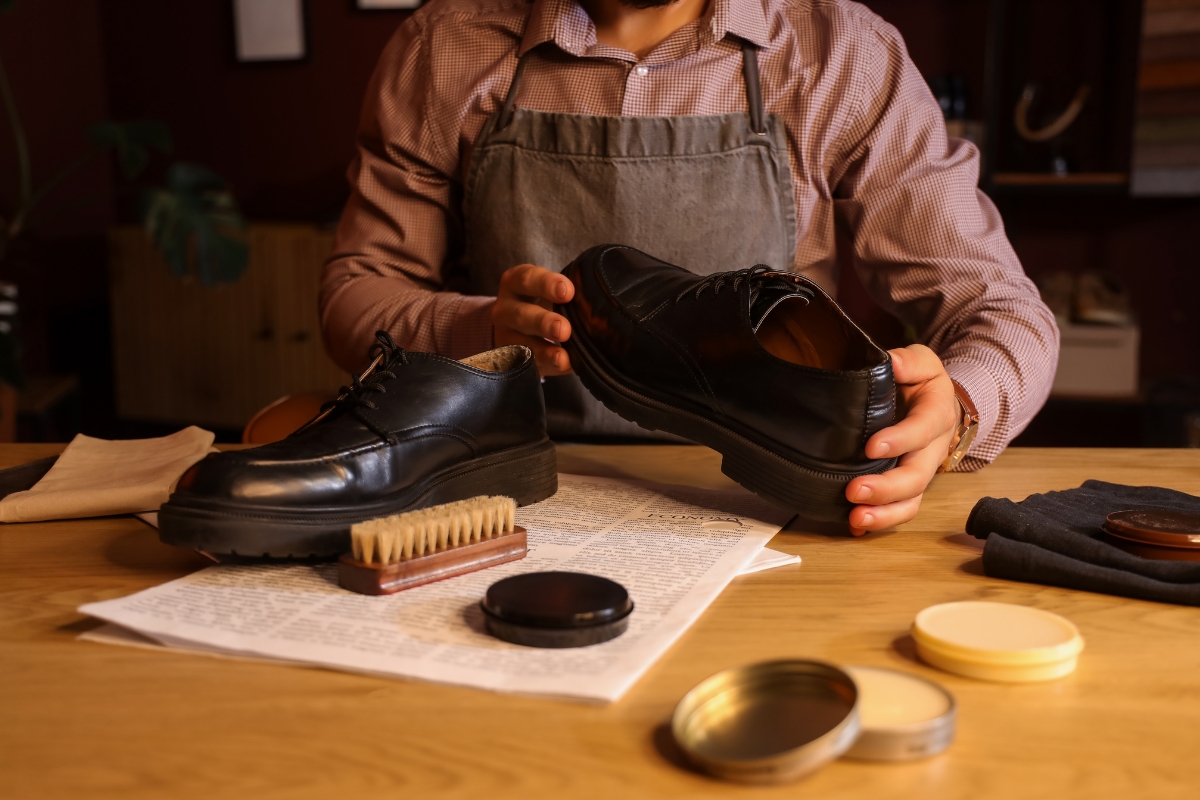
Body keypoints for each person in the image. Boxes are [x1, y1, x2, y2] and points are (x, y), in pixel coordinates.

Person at [319, 0, 1059, 534]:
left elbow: (1001, 310)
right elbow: (355, 293)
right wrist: (480, 324)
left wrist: (955, 408)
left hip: (767, 511)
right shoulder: (443, 47)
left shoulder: (843, 56)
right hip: (509, 495)